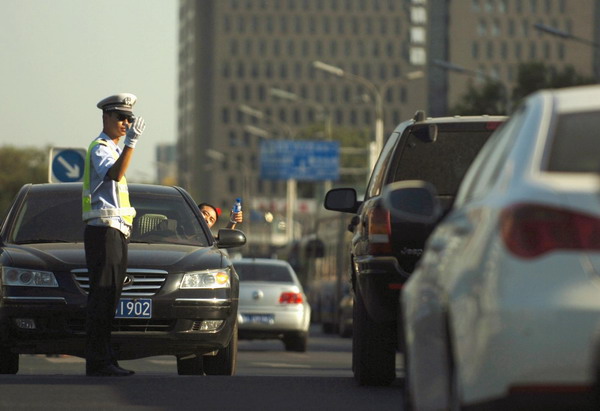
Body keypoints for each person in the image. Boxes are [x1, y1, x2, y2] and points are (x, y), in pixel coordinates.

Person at [82, 93, 146, 377]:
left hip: (117, 231)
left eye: (129, 118)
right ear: (105, 117)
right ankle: (97, 361)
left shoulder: (114, 149)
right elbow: (115, 175)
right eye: (120, 117)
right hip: (103, 230)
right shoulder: (100, 147)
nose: (126, 122)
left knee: (111, 297)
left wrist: (128, 145)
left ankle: (105, 358)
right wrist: (131, 143)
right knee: (102, 297)